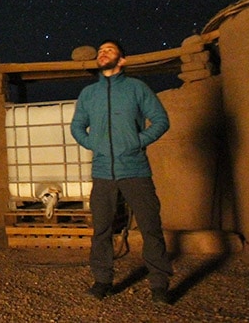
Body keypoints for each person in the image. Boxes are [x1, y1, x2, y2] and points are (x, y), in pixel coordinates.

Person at [70, 39, 173, 305]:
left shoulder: (137, 88)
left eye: (110, 50)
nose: (103, 53)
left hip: (135, 169)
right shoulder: (88, 94)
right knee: (102, 229)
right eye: (101, 50)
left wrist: (137, 141)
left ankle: (160, 285)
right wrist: (95, 144)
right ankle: (102, 281)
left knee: (151, 227)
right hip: (103, 171)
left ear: (122, 60)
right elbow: (77, 126)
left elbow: (161, 121)